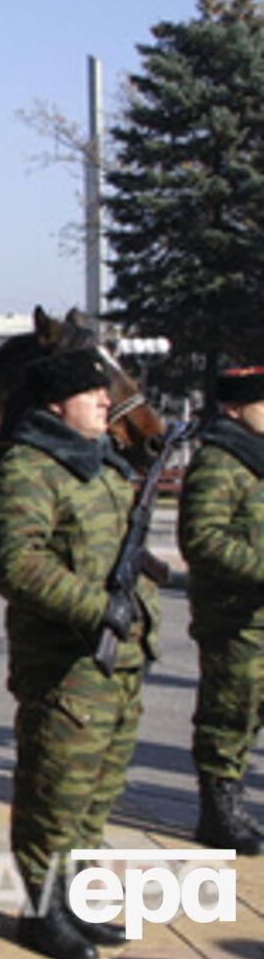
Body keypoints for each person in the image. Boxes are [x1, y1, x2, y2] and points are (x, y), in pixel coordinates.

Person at [0, 348, 160, 959]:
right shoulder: (31, 467)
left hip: (118, 664)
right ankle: (41, 913)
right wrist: (95, 608)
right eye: (92, 393)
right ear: (58, 404)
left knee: (94, 797)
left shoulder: (103, 464)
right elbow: (14, 562)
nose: (106, 401)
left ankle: (76, 901)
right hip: (66, 666)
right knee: (53, 795)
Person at [179, 364, 264, 855]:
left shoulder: (256, 456)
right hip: (235, 618)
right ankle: (218, 812)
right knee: (230, 711)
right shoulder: (218, 462)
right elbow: (202, 539)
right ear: (234, 408)